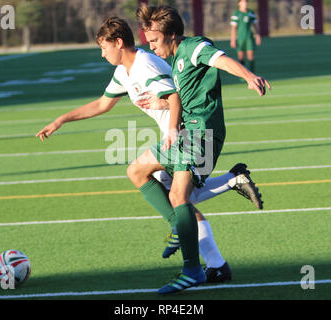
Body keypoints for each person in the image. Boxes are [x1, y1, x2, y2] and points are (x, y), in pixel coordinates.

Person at [35, 17, 262, 287]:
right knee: (146, 177)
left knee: (181, 199)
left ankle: (197, 265)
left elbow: (176, 97)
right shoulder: (124, 71)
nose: (102, 53)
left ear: (118, 43)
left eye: (103, 47)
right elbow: (101, 105)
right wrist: (61, 120)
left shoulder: (146, 65)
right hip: (176, 137)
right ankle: (211, 249)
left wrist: (173, 129)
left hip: (188, 135)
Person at [133, 5, 270, 294]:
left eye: (154, 40)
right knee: (138, 170)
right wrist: (162, 104)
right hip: (188, 132)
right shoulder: (176, 59)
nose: (151, 46)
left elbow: (221, 60)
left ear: (171, 35)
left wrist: (247, 75)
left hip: (203, 133)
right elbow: (185, 95)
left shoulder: (193, 47)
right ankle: (182, 230)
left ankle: (193, 269)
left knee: (180, 197)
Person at [230, 0, 261, 72]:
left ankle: (252, 74)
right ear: (239, 3)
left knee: (251, 56)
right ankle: (243, 74)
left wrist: (258, 36)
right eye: (243, 2)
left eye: (246, 2)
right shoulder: (236, 14)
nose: (245, 3)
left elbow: (255, 25)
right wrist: (233, 40)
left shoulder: (250, 13)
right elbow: (233, 28)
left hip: (249, 38)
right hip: (240, 38)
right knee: (241, 57)